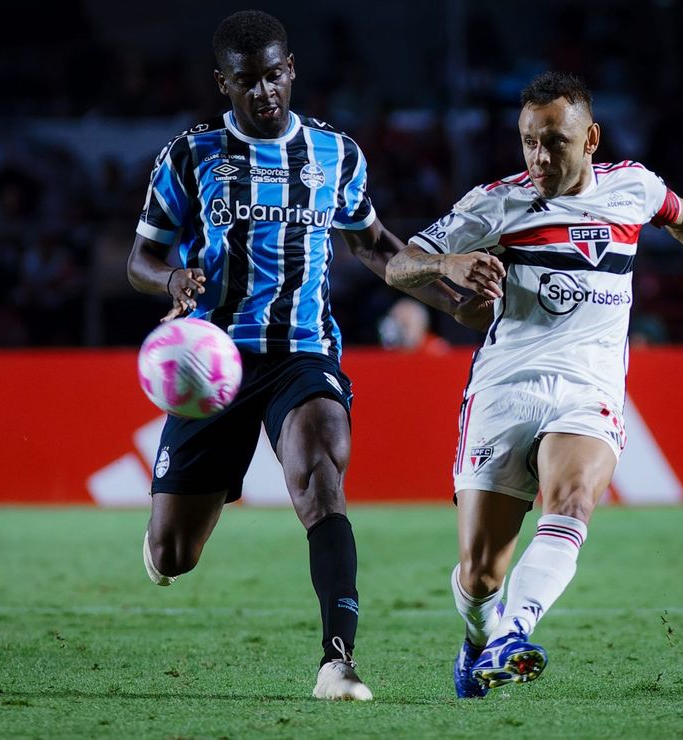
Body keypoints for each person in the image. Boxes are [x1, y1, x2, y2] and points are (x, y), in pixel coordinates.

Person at [384, 72, 683, 697]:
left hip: (588, 386)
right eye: (528, 142)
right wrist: (448, 262)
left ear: (591, 138)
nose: (539, 157)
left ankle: (512, 635)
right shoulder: (496, 202)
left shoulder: (632, 187)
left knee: (573, 499)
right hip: (505, 389)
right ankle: (480, 635)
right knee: (480, 576)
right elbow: (398, 263)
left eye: (554, 142)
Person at [127, 10, 472, 701]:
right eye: (247, 81)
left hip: (302, 352)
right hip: (213, 363)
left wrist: (455, 299)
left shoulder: (335, 153)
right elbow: (142, 255)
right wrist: (171, 281)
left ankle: (336, 662)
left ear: (292, 69)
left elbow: (374, 245)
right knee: (175, 555)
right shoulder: (188, 156)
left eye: (274, 75)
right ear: (222, 83)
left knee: (320, 475)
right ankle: (163, 538)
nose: (264, 92)